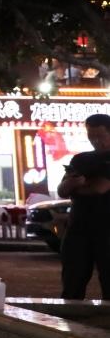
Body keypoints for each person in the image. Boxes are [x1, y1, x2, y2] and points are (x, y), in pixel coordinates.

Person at [57, 114, 110, 300]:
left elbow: (100, 188)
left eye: (100, 136)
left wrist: (77, 186)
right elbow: (62, 190)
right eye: (91, 136)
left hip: (107, 230)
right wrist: (73, 185)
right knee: (72, 282)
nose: (95, 141)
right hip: (78, 228)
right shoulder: (80, 159)